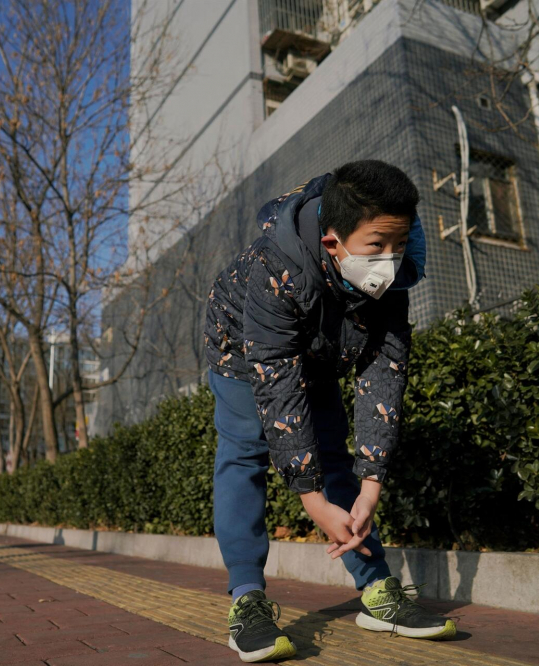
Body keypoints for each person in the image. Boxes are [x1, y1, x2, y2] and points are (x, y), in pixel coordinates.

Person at [203, 160, 456, 662]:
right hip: (242, 351)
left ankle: (377, 589)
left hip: (319, 352)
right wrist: (312, 500)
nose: (389, 259)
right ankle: (247, 600)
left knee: (335, 456)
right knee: (245, 455)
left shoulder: (392, 280)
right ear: (332, 243)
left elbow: (382, 376)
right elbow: (276, 379)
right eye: (377, 245)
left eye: (399, 244)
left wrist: (371, 485)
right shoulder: (276, 267)